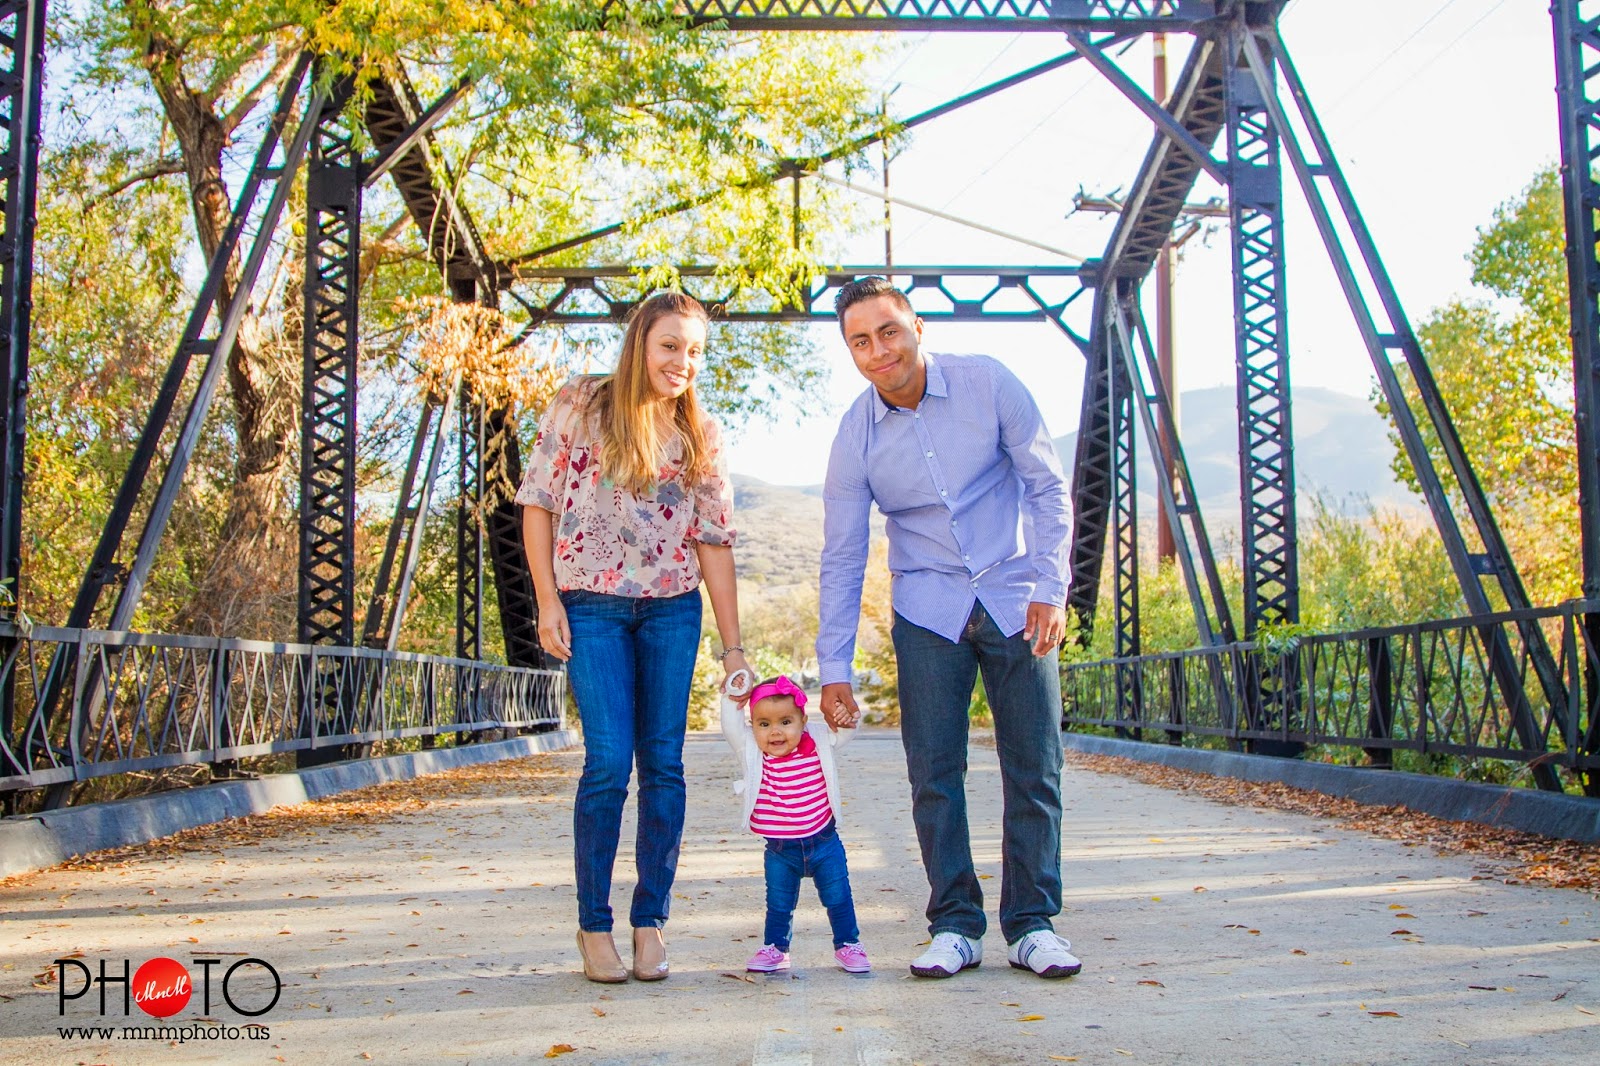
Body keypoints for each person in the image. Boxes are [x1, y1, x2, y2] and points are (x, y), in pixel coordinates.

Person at [814, 276, 1082, 980]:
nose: (879, 351)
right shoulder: (855, 435)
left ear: (917, 327)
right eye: (860, 342)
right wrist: (834, 666)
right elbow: (842, 553)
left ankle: (1033, 925)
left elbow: (1047, 487)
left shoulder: (988, 383)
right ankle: (956, 925)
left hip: (1016, 595)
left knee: (1035, 764)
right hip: (927, 608)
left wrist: (1052, 588)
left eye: (889, 331)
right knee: (934, 771)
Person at [517, 291, 749, 984]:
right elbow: (538, 502)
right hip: (591, 606)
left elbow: (714, 540)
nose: (682, 361)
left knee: (664, 767)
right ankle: (594, 926)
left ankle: (650, 921)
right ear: (641, 342)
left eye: (694, 351)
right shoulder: (582, 402)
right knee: (609, 763)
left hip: (671, 610)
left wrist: (734, 648)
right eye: (670, 345)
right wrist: (547, 601)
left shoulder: (700, 431)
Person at [718, 671, 870, 975]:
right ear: (753, 726)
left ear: (803, 720)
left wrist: (845, 714)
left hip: (824, 843)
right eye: (764, 724)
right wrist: (735, 689)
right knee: (779, 903)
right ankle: (776, 948)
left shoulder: (817, 740)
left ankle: (848, 944)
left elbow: (844, 731)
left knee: (838, 897)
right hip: (779, 851)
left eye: (786, 722)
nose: (775, 732)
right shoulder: (750, 749)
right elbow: (730, 724)